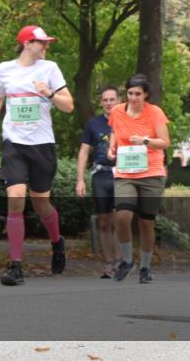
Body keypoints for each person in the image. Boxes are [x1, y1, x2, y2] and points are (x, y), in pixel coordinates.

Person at [0, 25, 74, 286]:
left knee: (41, 205)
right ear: (26, 44)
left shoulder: (50, 69)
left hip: (42, 145)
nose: (46, 47)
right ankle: (15, 265)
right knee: (15, 200)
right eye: (41, 43)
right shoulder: (5, 69)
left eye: (46, 43)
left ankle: (57, 242)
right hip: (14, 144)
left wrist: (50, 93)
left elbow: (69, 106)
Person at [107, 75, 171, 284]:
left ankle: (145, 266)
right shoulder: (117, 111)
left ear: (145, 95)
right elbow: (115, 131)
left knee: (146, 223)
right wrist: (112, 146)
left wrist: (145, 140)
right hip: (125, 172)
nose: (133, 97)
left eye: (138, 94)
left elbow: (165, 142)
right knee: (122, 217)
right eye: (130, 93)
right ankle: (127, 261)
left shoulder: (155, 113)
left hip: (151, 173)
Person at [76, 86, 121, 278]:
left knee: (120, 219)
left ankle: (122, 260)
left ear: (119, 100)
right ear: (101, 102)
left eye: (112, 99)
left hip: (122, 176)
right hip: (100, 176)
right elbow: (84, 152)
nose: (109, 103)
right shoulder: (93, 124)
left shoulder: (127, 121)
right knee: (104, 221)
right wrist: (80, 180)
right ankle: (110, 261)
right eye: (105, 100)